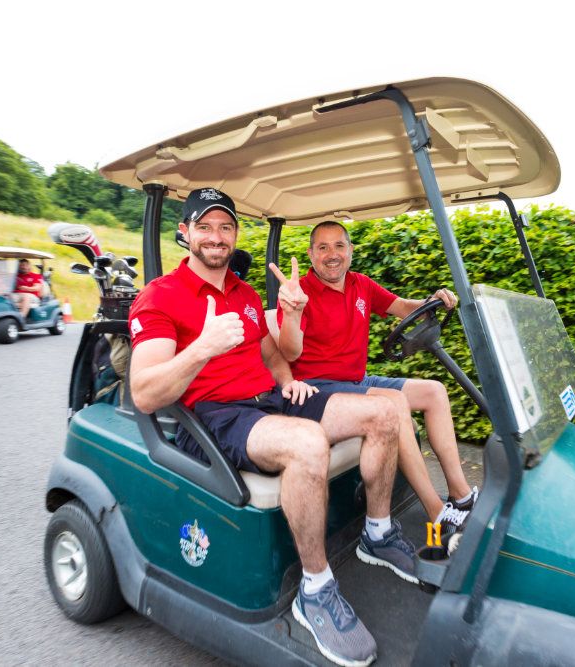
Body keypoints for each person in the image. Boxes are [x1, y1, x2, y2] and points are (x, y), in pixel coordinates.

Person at [128, 189, 414, 667]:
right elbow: (144, 391)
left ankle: (377, 533)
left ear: (235, 234)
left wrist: (286, 380)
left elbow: (272, 352)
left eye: (225, 227)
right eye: (205, 227)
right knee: (308, 443)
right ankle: (315, 590)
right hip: (217, 416)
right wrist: (202, 348)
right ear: (185, 233)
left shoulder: (242, 294)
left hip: (269, 400)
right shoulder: (161, 296)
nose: (216, 237)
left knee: (385, 412)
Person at [271, 221, 478, 535]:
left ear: (351, 250)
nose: (332, 254)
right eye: (323, 247)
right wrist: (292, 312)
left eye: (339, 246)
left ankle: (460, 496)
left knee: (434, 391)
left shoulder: (361, 284)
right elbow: (289, 351)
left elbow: (402, 307)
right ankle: (436, 512)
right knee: (393, 403)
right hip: (318, 389)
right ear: (311, 254)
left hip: (357, 381)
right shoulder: (299, 294)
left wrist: (431, 302)